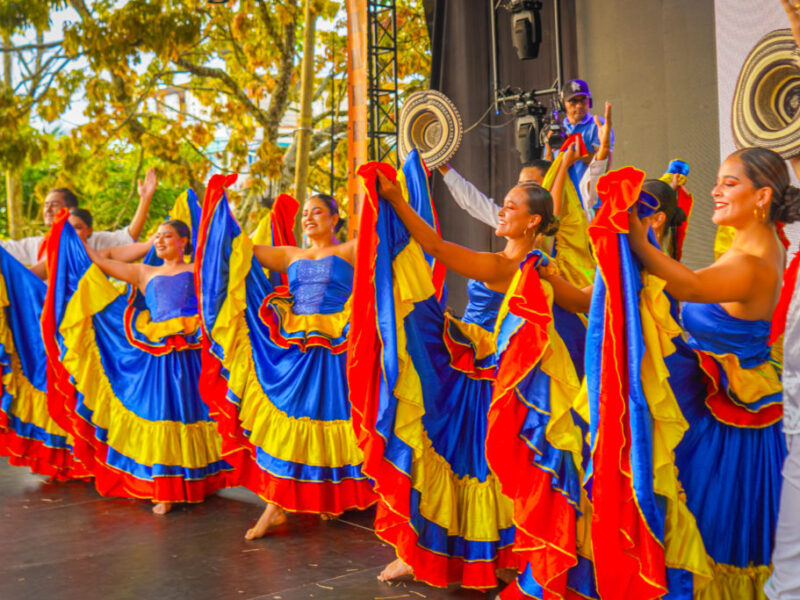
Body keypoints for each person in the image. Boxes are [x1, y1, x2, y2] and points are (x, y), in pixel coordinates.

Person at [347, 155, 560, 590]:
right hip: (482, 366)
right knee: (475, 461)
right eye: (503, 204)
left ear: (533, 221)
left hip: (485, 374)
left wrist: (397, 201)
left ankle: (464, 555)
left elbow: (439, 250)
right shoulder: (536, 264)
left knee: (469, 459)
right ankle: (489, 557)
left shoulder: (508, 266)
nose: (501, 211)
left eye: (511, 206)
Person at [616, 148, 793, 597]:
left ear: (762, 196)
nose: (716, 191)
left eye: (729, 183)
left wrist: (635, 235)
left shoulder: (754, 262)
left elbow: (690, 286)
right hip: (723, 408)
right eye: (717, 181)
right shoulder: (752, 245)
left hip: (728, 425)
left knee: (708, 533)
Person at [195, 177, 375, 539]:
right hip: (296, 347)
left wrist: (381, 192)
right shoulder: (290, 253)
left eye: (317, 212)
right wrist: (219, 207)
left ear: (335, 218)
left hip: (337, 346)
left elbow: (386, 250)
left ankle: (329, 497)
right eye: (305, 213)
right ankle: (275, 506)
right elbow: (238, 248)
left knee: (333, 418)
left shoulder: (352, 248)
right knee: (295, 420)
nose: (308, 218)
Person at [43, 205, 230, 515]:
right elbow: (99, 262)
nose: (160, 241)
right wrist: (69, 238)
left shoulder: (198, 269)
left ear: (183, 241)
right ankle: (166, 488)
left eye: (167, 236)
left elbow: (224, 272)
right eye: (157, 236)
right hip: (159, 356)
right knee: (164, 414)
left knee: (192, 413)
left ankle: (199, 481)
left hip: (192, 353)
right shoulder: (144, 272)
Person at [0, 168, 157, 265]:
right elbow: (8, 254)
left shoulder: (96, 245)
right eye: (45, 205)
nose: (47, 210)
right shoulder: (38, 245)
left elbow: (129, 238)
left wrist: (145, 200)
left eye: (54, 205)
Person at [437, 159, 550, 228]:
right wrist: (441, 163)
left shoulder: (556, 224)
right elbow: (475, 202)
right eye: (520, 184)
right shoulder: (514, 220)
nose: (523, 190)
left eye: (530, 184)